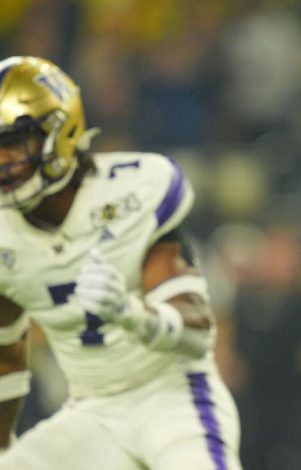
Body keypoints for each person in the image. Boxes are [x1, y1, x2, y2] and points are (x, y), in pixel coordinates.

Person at [0, 56, 242, 469]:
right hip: (91, 412)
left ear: (61, 133)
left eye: (13, 144)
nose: (4, 160)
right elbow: (5, 353)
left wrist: (131, 314)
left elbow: (197, 330)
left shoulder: (133, 190)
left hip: (173, 398)